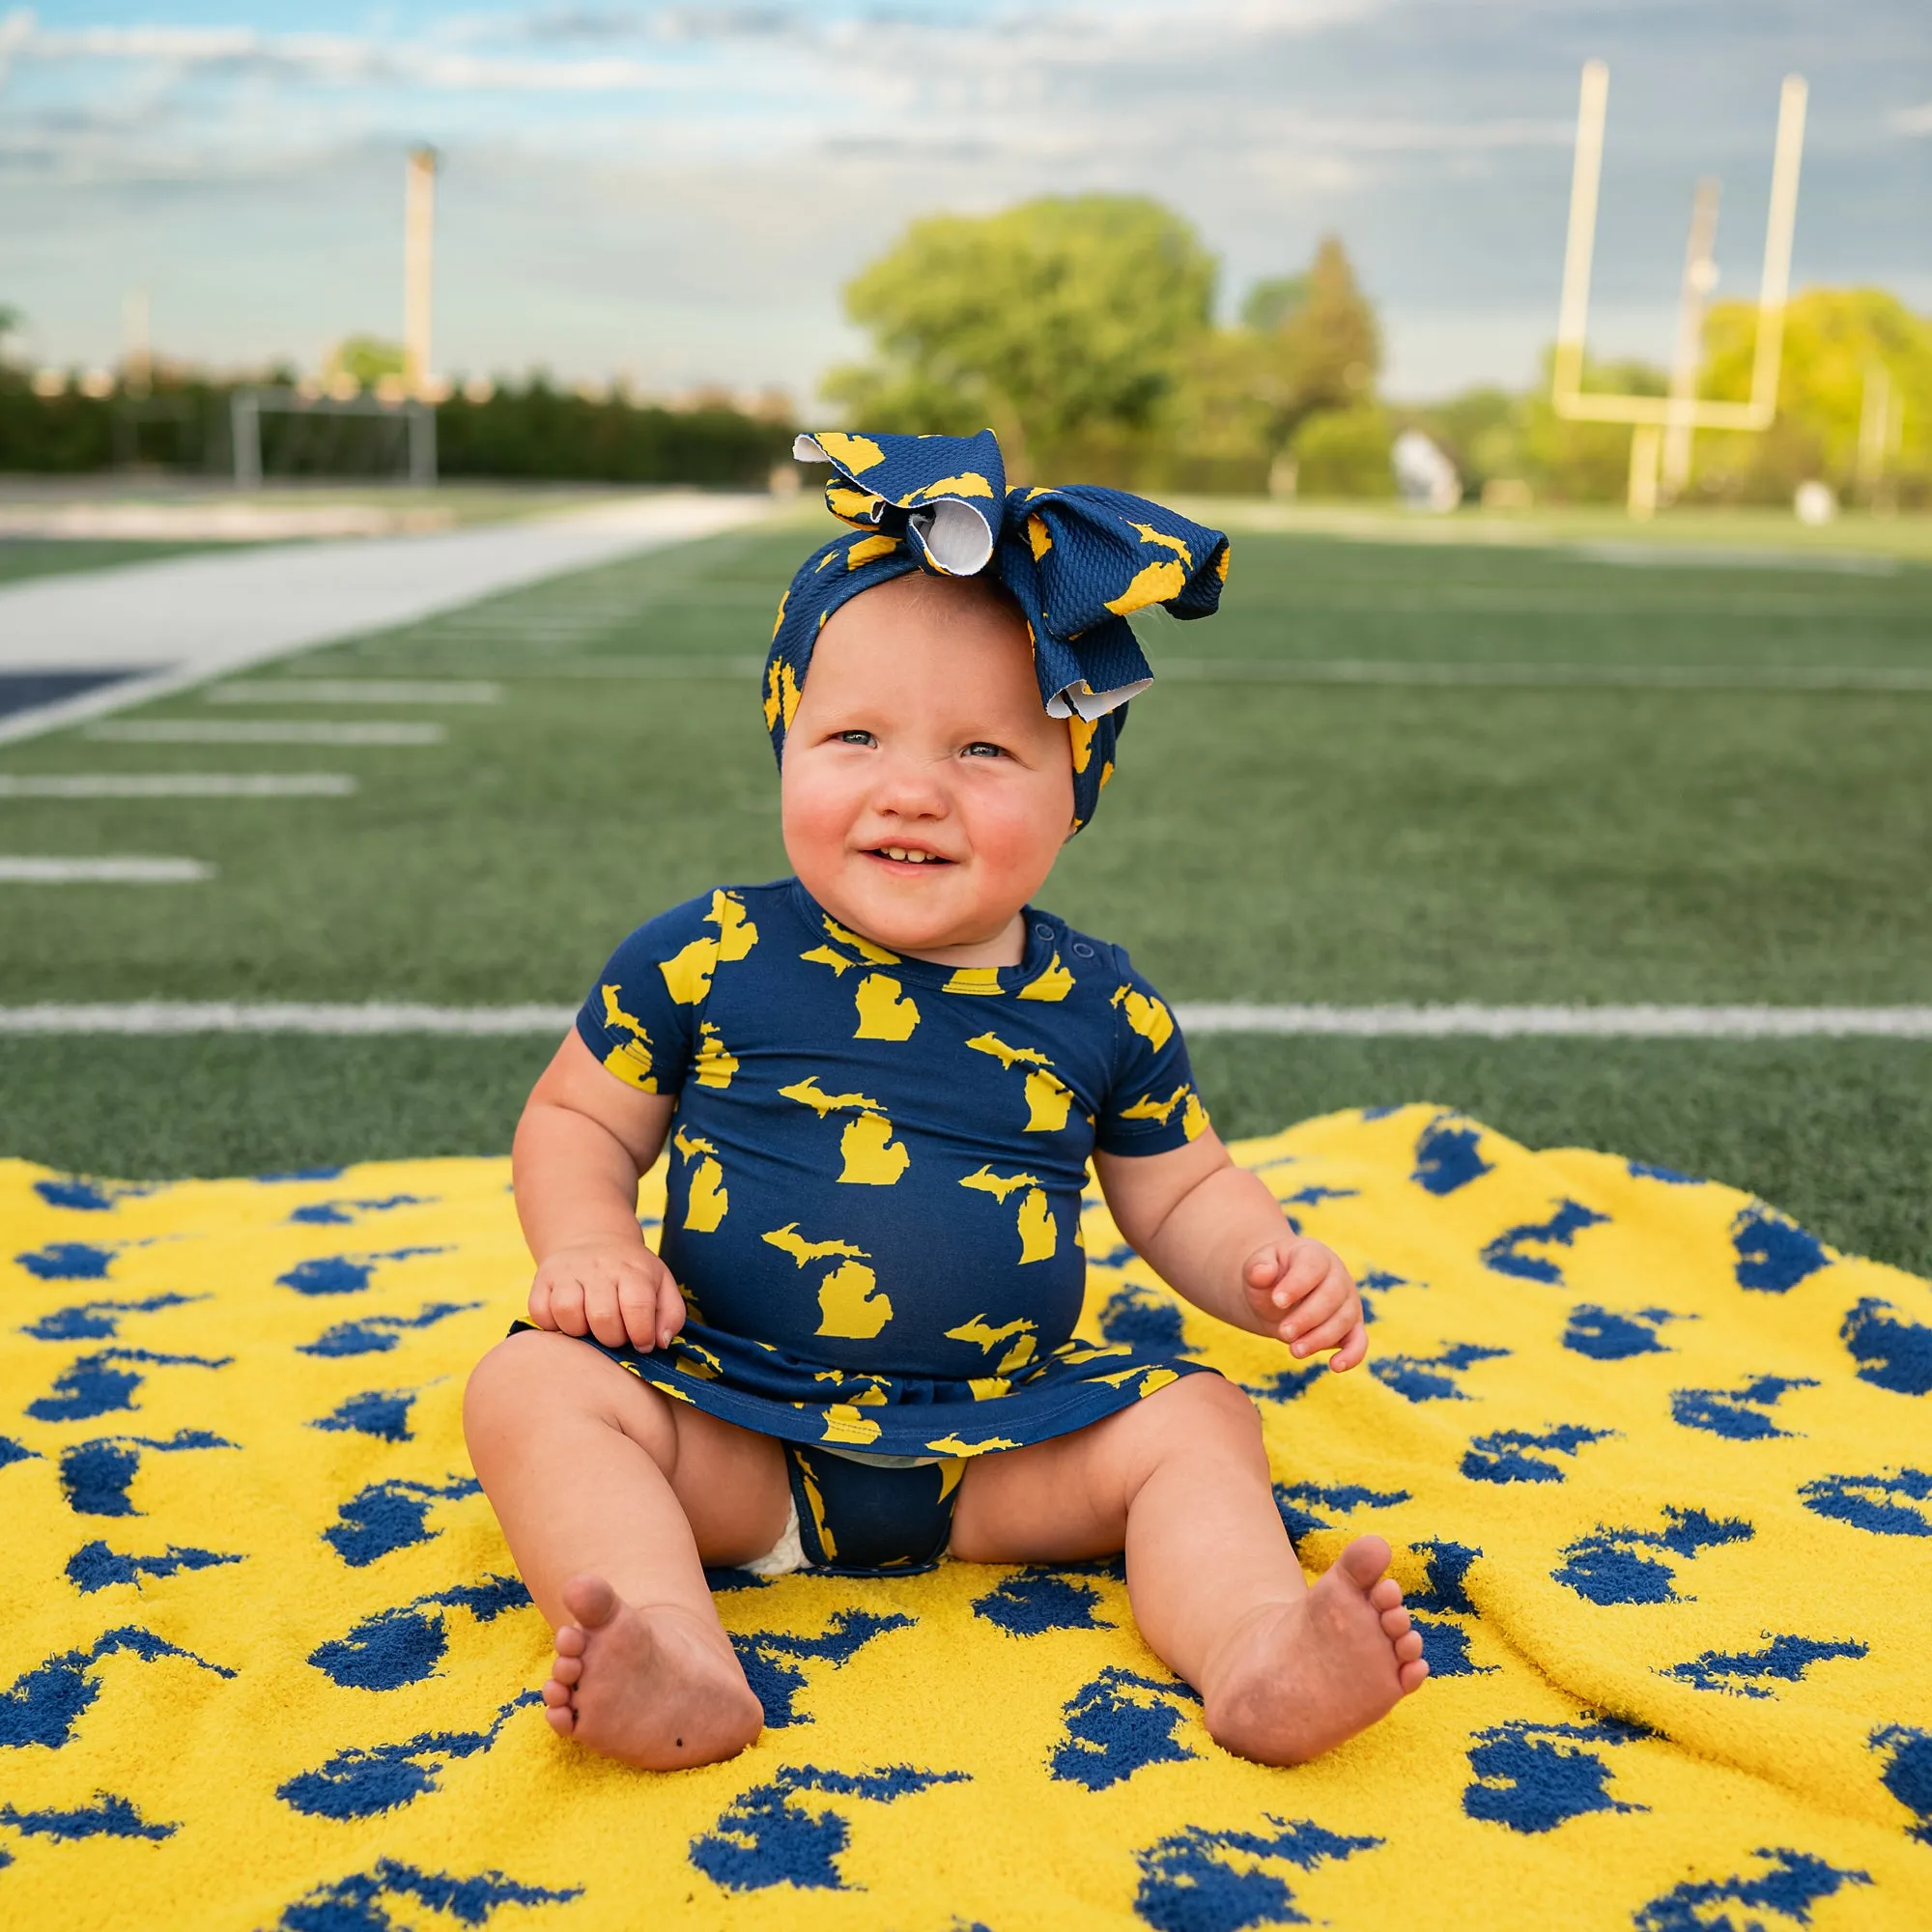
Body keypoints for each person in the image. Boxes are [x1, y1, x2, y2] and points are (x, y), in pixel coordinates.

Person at [463, 429, 1428, 1775]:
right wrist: (588, 1247)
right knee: (529, 1387)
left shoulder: (1103, 1007)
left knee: (1200, 1419)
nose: (910, 789)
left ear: (1075, 793)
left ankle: (1261, 1649)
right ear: (785, 739)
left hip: (1006, 1448)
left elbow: (1186, 1188)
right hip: (734, 1423)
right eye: (853, 735)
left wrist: (1267, 1268)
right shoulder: (707, 954)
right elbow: (577, 1122)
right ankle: (677, 1647)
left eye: (983, 750)